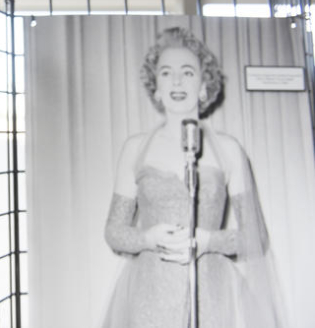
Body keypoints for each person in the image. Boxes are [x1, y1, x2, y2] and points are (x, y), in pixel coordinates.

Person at [103, 27, 284, 328]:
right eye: (166, 73)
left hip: (213, 292)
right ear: (156, 87)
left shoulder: (229, 149)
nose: (176, 81)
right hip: (150, 292)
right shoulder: (135, 148)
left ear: (203, 85)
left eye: (187, 72)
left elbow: (256, 236)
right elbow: (113, 231)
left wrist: (208, 240)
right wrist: (148, 238)